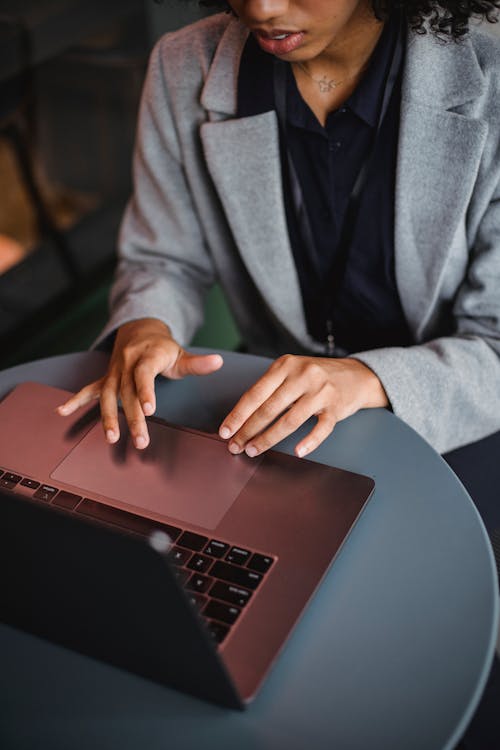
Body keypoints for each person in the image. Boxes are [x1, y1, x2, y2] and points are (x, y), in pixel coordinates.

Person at [58, 0, 500, 461]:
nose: (260, 8)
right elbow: (164, 259)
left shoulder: (494, 92)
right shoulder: (183, 64)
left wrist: (367, 377)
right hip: (269, 407)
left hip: (450, 417)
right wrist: (146, 323)